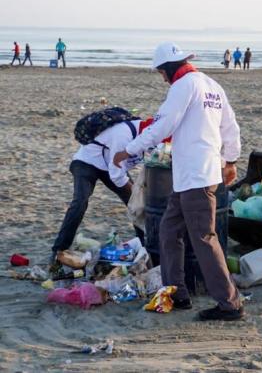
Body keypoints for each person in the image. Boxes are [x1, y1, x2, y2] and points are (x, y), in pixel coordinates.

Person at [113, 42, 243, 321]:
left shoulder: (183, 86)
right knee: (168, 232)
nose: (162, 77)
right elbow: (230, 127)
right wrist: (230, 160)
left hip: (196, 176)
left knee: (204, 239)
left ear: (167, 69)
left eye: (161, 73)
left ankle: (229, 304)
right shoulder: (212, 85)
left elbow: (162, 126)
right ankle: (175, 293)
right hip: (190, 177)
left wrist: (130, 149)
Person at [52, 115, 154, 259]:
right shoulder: (124, 134)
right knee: (80, 202)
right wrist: (136, 194)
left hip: (110, 166)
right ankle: (58, 250)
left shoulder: (151, 136)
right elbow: (117, 175)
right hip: (86, 162)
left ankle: (145, 246)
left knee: (137, 204)